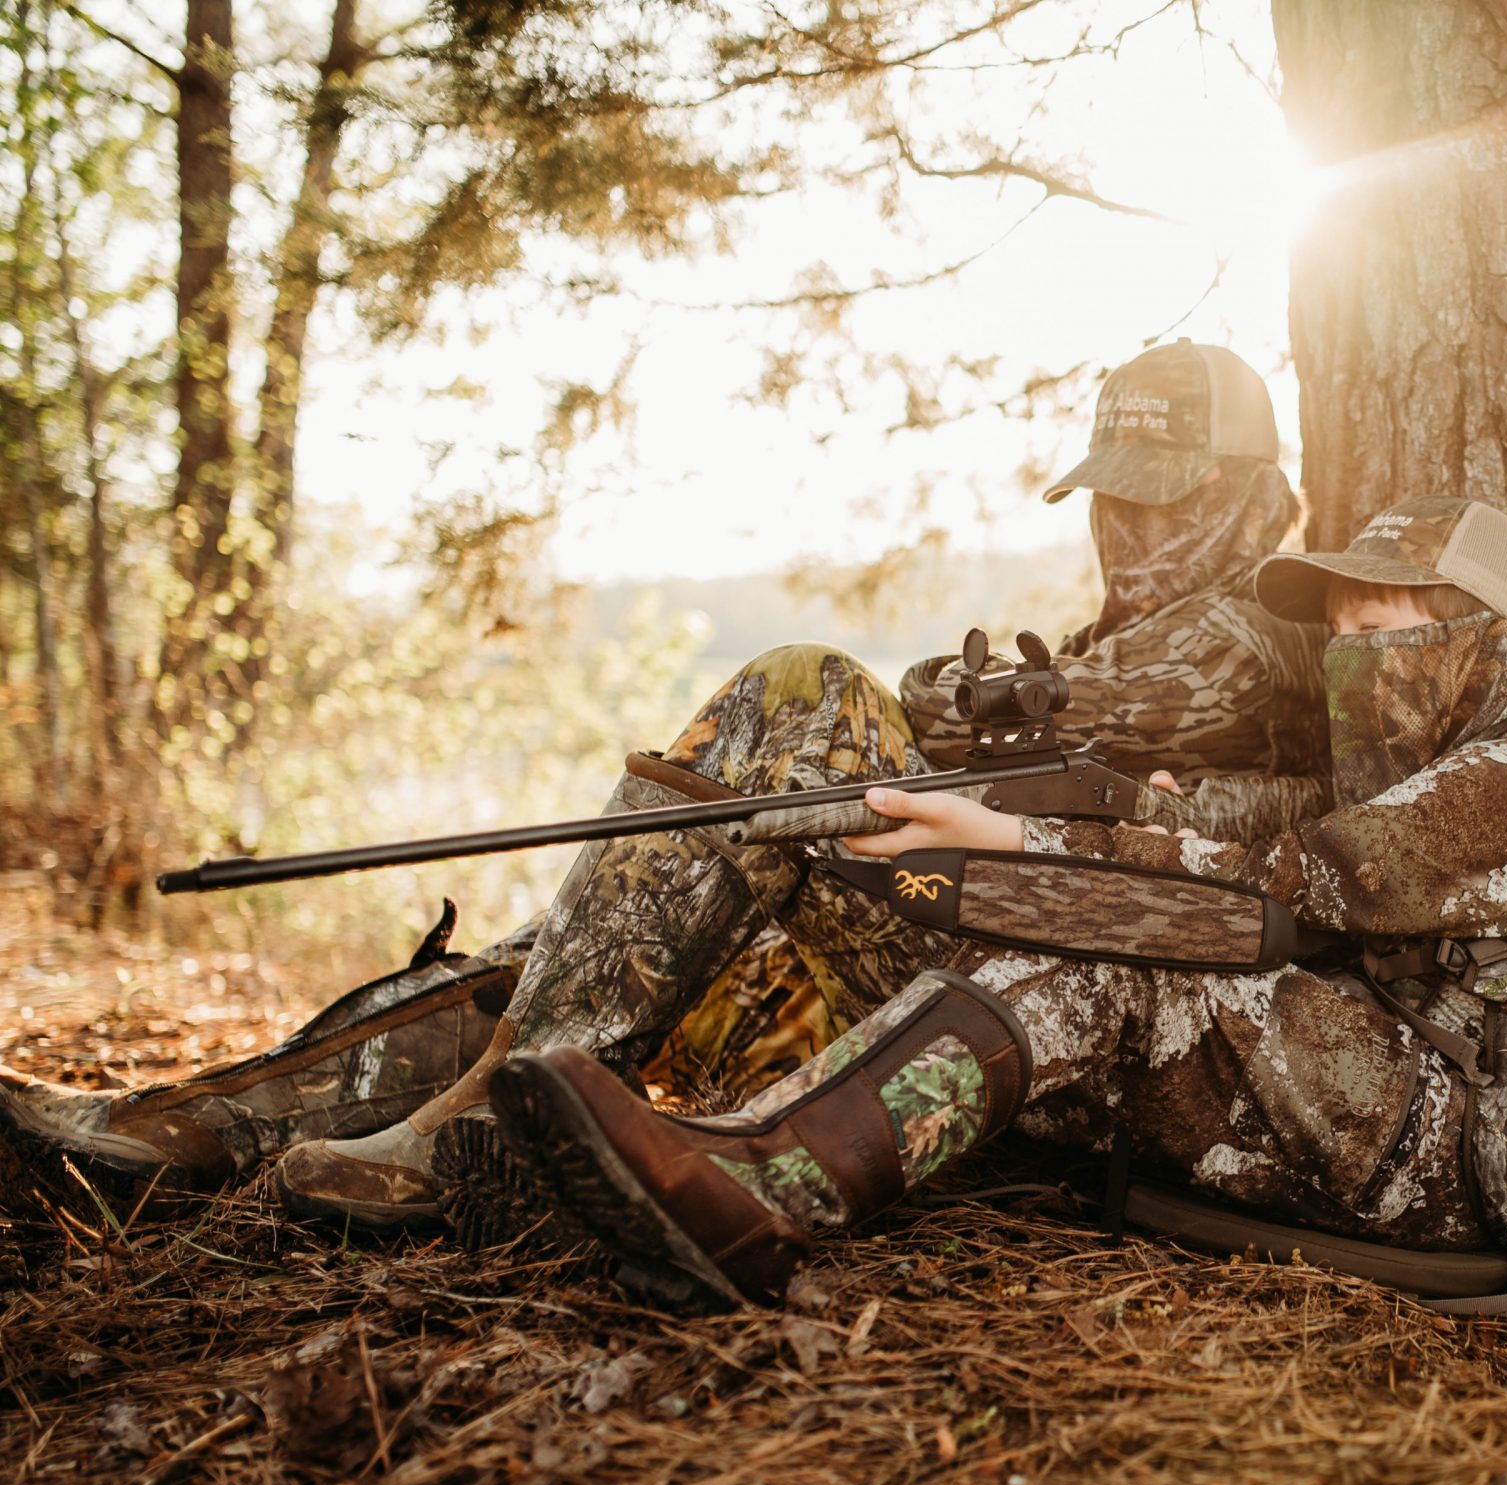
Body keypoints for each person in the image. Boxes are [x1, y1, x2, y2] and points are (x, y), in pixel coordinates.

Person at [1, 340, 1327, 1237]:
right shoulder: (1120, 639)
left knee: (802, 685)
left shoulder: (1259, 636)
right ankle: (193, 1131)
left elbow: (1040, 705)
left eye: (1175, 500)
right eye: (1119, 500)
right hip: (965, 963)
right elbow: (994, 711)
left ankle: (482, 1133)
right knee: (594, 945)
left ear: (1255, 497)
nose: (1137, 530)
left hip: (1051, 1018)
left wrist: (920, 724)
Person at [461, 495, 1507, 1306]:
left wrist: (1012, 840)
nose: (1355, 644)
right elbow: (1220, 819)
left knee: (1128, 953)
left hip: (1483, 1158)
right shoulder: (1406, 779)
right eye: (1344, 619)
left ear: (1489, 638)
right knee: (1109, 921)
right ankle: (709, 1151)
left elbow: (1274, 892)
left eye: (1391, 617)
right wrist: (1048, 813)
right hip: (1389, 1093)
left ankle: (772, 1185)